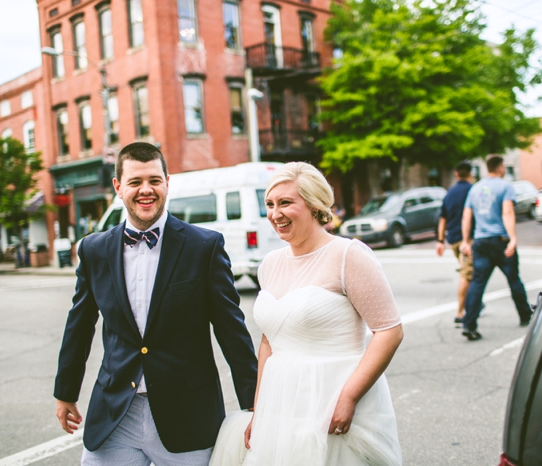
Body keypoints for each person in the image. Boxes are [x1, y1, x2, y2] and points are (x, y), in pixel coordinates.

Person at [53, 142, 258, 465]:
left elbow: (231, 328)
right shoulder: (93, 250)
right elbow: (78, 326)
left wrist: (253, 401)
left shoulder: (203, 246)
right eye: (135, 182)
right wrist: (65, 391)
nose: (145, 190)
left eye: (154, 180)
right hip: (116, 414)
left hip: (188, 415)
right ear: (118, 187)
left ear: (167, 183)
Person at [210, 162, 403, 465]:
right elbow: (268, 342)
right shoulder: (270, 263)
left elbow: (389, 331)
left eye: (286, 203)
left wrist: (348, 398)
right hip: (280, 400)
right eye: (270, 204)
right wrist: (259, 410)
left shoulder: (347, 255)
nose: (275, 214)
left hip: (332, 394)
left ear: (315, 206)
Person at [459, 156, 533, 341]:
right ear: (500, 168)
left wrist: (466, 241)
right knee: (514, 279)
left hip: (481, 242)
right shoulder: (505, 186)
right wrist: (513, 238)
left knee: (477, 283)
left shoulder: (475, 189)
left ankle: (469, 324)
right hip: (500, 241)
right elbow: (507, 212)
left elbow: (466, 216)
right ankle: (525, 316)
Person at [435, 162, 474, 324]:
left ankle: (473, 302)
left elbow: (442, 218)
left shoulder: (449, 193)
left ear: (457, 174)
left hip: (453, 240)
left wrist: (440, 241)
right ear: (470, 174)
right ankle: (460, 312)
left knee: (470, 273)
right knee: (467, 275)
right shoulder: (472, 190)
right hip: (468, 240)